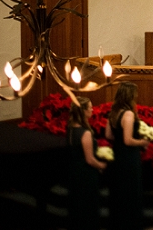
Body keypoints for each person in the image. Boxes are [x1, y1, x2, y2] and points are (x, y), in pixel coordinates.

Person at [105, 82, 149, 230]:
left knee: (119, 192)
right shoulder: (128, 114)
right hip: (129, 158)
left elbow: (108, 135)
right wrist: (142, 141)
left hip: (117, 155)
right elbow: (128, 140)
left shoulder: (114, 111)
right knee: (130, 192)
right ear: (129, 96)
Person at [67, 96, 106, 230]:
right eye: (90, 107)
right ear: (83, 111)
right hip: (86, 176)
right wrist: (103, 166)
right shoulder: (85, 133)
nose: (92, 109)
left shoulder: (71, 128)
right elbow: (89, 159)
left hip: (75, 173)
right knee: (87, 208)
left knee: (77, 207)